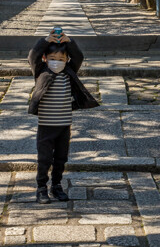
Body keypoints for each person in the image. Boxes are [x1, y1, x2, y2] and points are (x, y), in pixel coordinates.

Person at [28, 29, 99, 204]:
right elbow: (33, 56)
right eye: (52, 58)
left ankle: (57, 186)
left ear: (66, 60)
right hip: (46, 125)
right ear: (45, 59)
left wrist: (70, 41)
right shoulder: (41, 72)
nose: (56, 62)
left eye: (61, 59)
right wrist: (45, 41)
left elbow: (79, 57)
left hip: (64, 124)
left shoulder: (69, 72)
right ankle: (41, 188)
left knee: (61, 158)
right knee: (44, 159)